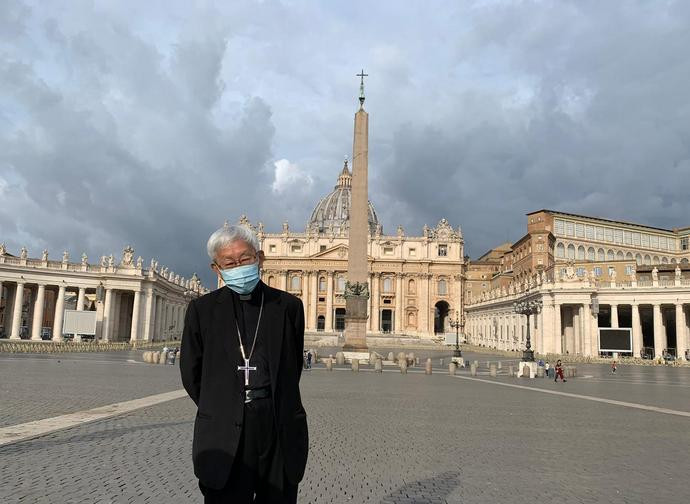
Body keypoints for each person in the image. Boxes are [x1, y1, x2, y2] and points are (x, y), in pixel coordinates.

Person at [180, 224, 308, 503]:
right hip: (224, 431)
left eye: (245, 259)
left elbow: (292, 366)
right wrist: (222, 406)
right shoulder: (201, 311)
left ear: (260, 258)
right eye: (230, 262)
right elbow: (192, 373)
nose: (239, 266)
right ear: (217, 269)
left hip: (278, 428)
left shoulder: (288, 307)